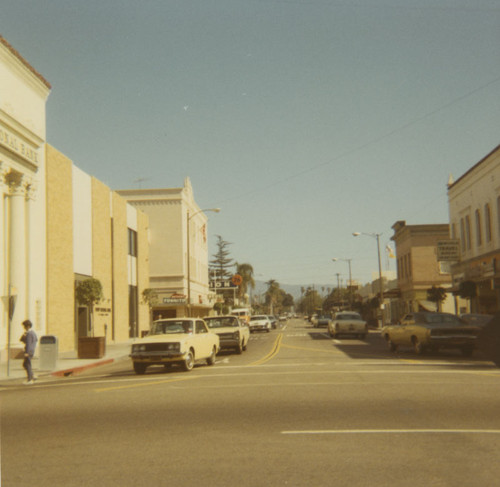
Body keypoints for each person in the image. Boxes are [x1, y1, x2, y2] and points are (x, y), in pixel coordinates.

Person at [20, 320, 38, 385]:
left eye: (24, 326)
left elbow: (28, 343)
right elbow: (35, 340)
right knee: (26, 364)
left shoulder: (29, 334)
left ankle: (30, 379)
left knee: (27, 364)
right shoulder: (32, 333)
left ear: (28, 326)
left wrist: (27, 352)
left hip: (29, 351)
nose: (24, 327)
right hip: (32, 350)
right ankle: (32, 376)